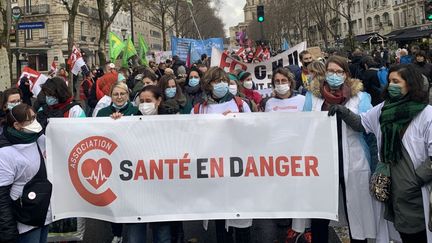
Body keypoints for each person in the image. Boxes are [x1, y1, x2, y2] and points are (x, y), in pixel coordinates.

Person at [329, 64, 432, 243]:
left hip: (415, 188)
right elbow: (362, 123)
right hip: (392, 185)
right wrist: (343, 112)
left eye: (396, 81)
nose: (391, 85)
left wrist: (415, 180)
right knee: (401, 229)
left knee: (418, 232)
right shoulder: (384, 108)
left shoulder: (426, 114)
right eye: (390, 81)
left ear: (410, 84)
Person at [303, 55, 376, 243]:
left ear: (346, 74)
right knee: (320, 212)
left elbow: (368, 127)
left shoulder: (360, 97)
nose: (334, 75)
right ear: (325, 73)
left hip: (352, 161)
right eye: (331, 71)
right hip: (322, 163)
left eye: (339, 71)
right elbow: (303, 127)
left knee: (356, 213)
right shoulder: (313, 97)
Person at [192, 67, 252, 243]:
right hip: (214, 172)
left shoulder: (240, 104)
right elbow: (192, 136)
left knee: (242, 220)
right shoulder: (199, 109)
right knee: (220, 220)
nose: (222, 85)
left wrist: (237, 122)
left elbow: (253, 133)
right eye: (217, 82)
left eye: (224, 81)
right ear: (208, 85)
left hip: (239, 169)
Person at [126, 85, 171, 243]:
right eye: (142, 101)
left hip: (162, 187)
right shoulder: (130, 122)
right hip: (137, 187)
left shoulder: (172, 121)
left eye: (148, 101)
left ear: (158, 101)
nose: (144, 104)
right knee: (134, 236)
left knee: (163, 234)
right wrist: (116, 122)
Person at [0, 103, 51, 243]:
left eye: (34, 117)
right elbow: (2, 197)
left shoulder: (38, 138)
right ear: (17, 126)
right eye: (30, 120)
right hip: (25, 222)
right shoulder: (5, 153)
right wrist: (8, 231)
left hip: (44, 213)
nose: (35, 122)